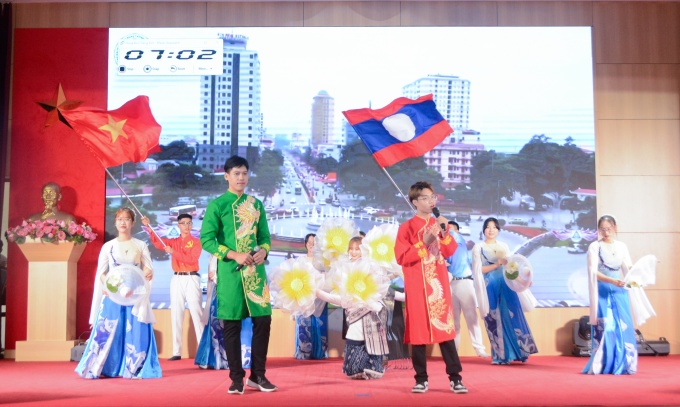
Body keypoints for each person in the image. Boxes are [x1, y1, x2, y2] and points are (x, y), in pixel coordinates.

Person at [200, 155, 276, 395]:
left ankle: (258, 375)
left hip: (255, 272)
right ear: (226, 176)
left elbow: (264, 237)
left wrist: (263, 250)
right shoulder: (218, 205)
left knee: (263, 321)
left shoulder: (256, 204)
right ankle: (236, 378)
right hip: (231, 273)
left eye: (244, 173)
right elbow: (206, 240)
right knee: (231, 325)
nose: (241, 177)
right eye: (236, 174)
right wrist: (233, 254)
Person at [394, 181, 467, 394]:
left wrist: (444, 232)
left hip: (439, 285)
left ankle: (455, 378)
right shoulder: (406, 228)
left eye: (432, 196)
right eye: (425, 198)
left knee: (444, 330)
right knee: (418, 332)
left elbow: (451, 251)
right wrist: (423, 243)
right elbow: (402, 257)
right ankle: (421, 378)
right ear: (415, 202)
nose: (431, 201)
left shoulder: (439, 222)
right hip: (417, 286)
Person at [75, 207, 161, 379]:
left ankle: (134, 367)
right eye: (120, 219)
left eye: (127, 219)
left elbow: (148, 266)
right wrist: (107, 288)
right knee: (107, 331)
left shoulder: (140, 245)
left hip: (134, 296)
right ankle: (103, 367)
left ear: (133, 223)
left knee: (135, 331)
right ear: (115, 222)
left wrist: (148, 272)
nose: (123, 222)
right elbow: (101, 272)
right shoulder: (109, 246)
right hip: (113, 295)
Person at [317, 236, 388, 380]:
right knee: (354, 338)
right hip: (352, 308)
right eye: (351, 249)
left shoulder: (370, 266)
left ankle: (371, 367)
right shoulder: (344, 268)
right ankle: (357, 368)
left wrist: (371, 302)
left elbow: (377, 288)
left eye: (357, 249)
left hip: (369, 309)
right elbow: (340, 293)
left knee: (364, 338)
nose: (354, 252)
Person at [471, 217, 537, 365]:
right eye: (488, 227)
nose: (491, 230)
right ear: (483, 230)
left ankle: (520, 352)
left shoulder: (504, 246)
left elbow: (511, 268)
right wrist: (497, 264)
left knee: (512, 316)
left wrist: (523, 281)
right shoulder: (478, 247)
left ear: (498, 230)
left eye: (494, 227)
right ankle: (500, 355)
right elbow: (478, 270)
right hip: (490, 285)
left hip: (507, 285)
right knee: (494, 318)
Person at [141, 213, 203, 361]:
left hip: (192, 277)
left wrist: (174, 252)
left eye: (189, 223)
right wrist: (149, 227)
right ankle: (177, 351)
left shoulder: (196, 242)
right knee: (176, 313)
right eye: (183, 223)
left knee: (197, 313)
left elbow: (191, 259)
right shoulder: (173, 242)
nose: (186, 226)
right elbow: (157, 242)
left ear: (192, 225)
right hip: (176, 278)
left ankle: (203, 350)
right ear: (178, 225)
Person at [583, 215, 637, 375]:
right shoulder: (594, 246)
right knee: (607, 326)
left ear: (615, 228)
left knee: (623, 324)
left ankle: (625, 363)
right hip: (603, 289)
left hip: (619, 288)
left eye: (608, 229)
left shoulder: (622, 246)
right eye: (602, 230)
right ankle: (604, 363)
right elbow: (593, 271)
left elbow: (628, 267)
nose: (606, 232)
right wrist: (612, 281)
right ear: (598, 230)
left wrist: (637, 274)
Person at [447, 221, 488, 358]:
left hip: (465, 283)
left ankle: (479, 349)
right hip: (450, 285)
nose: (448, 232)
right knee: (454, 321)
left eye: (452, 230)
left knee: (472, 318)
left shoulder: (460, 242)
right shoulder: (444, 247)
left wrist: (444, 227)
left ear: (457, 232)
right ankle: (453, 352)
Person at [294, 233, 329, 360]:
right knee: (304, 324)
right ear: (305, 244)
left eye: (314, 243)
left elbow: (327, 278)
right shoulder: (300, 260)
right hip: (304, 297)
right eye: (309, 243)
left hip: (319, 297)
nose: (311, 246)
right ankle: (303, 352)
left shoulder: (322, 262)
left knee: (320, 324)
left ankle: (320, 352)